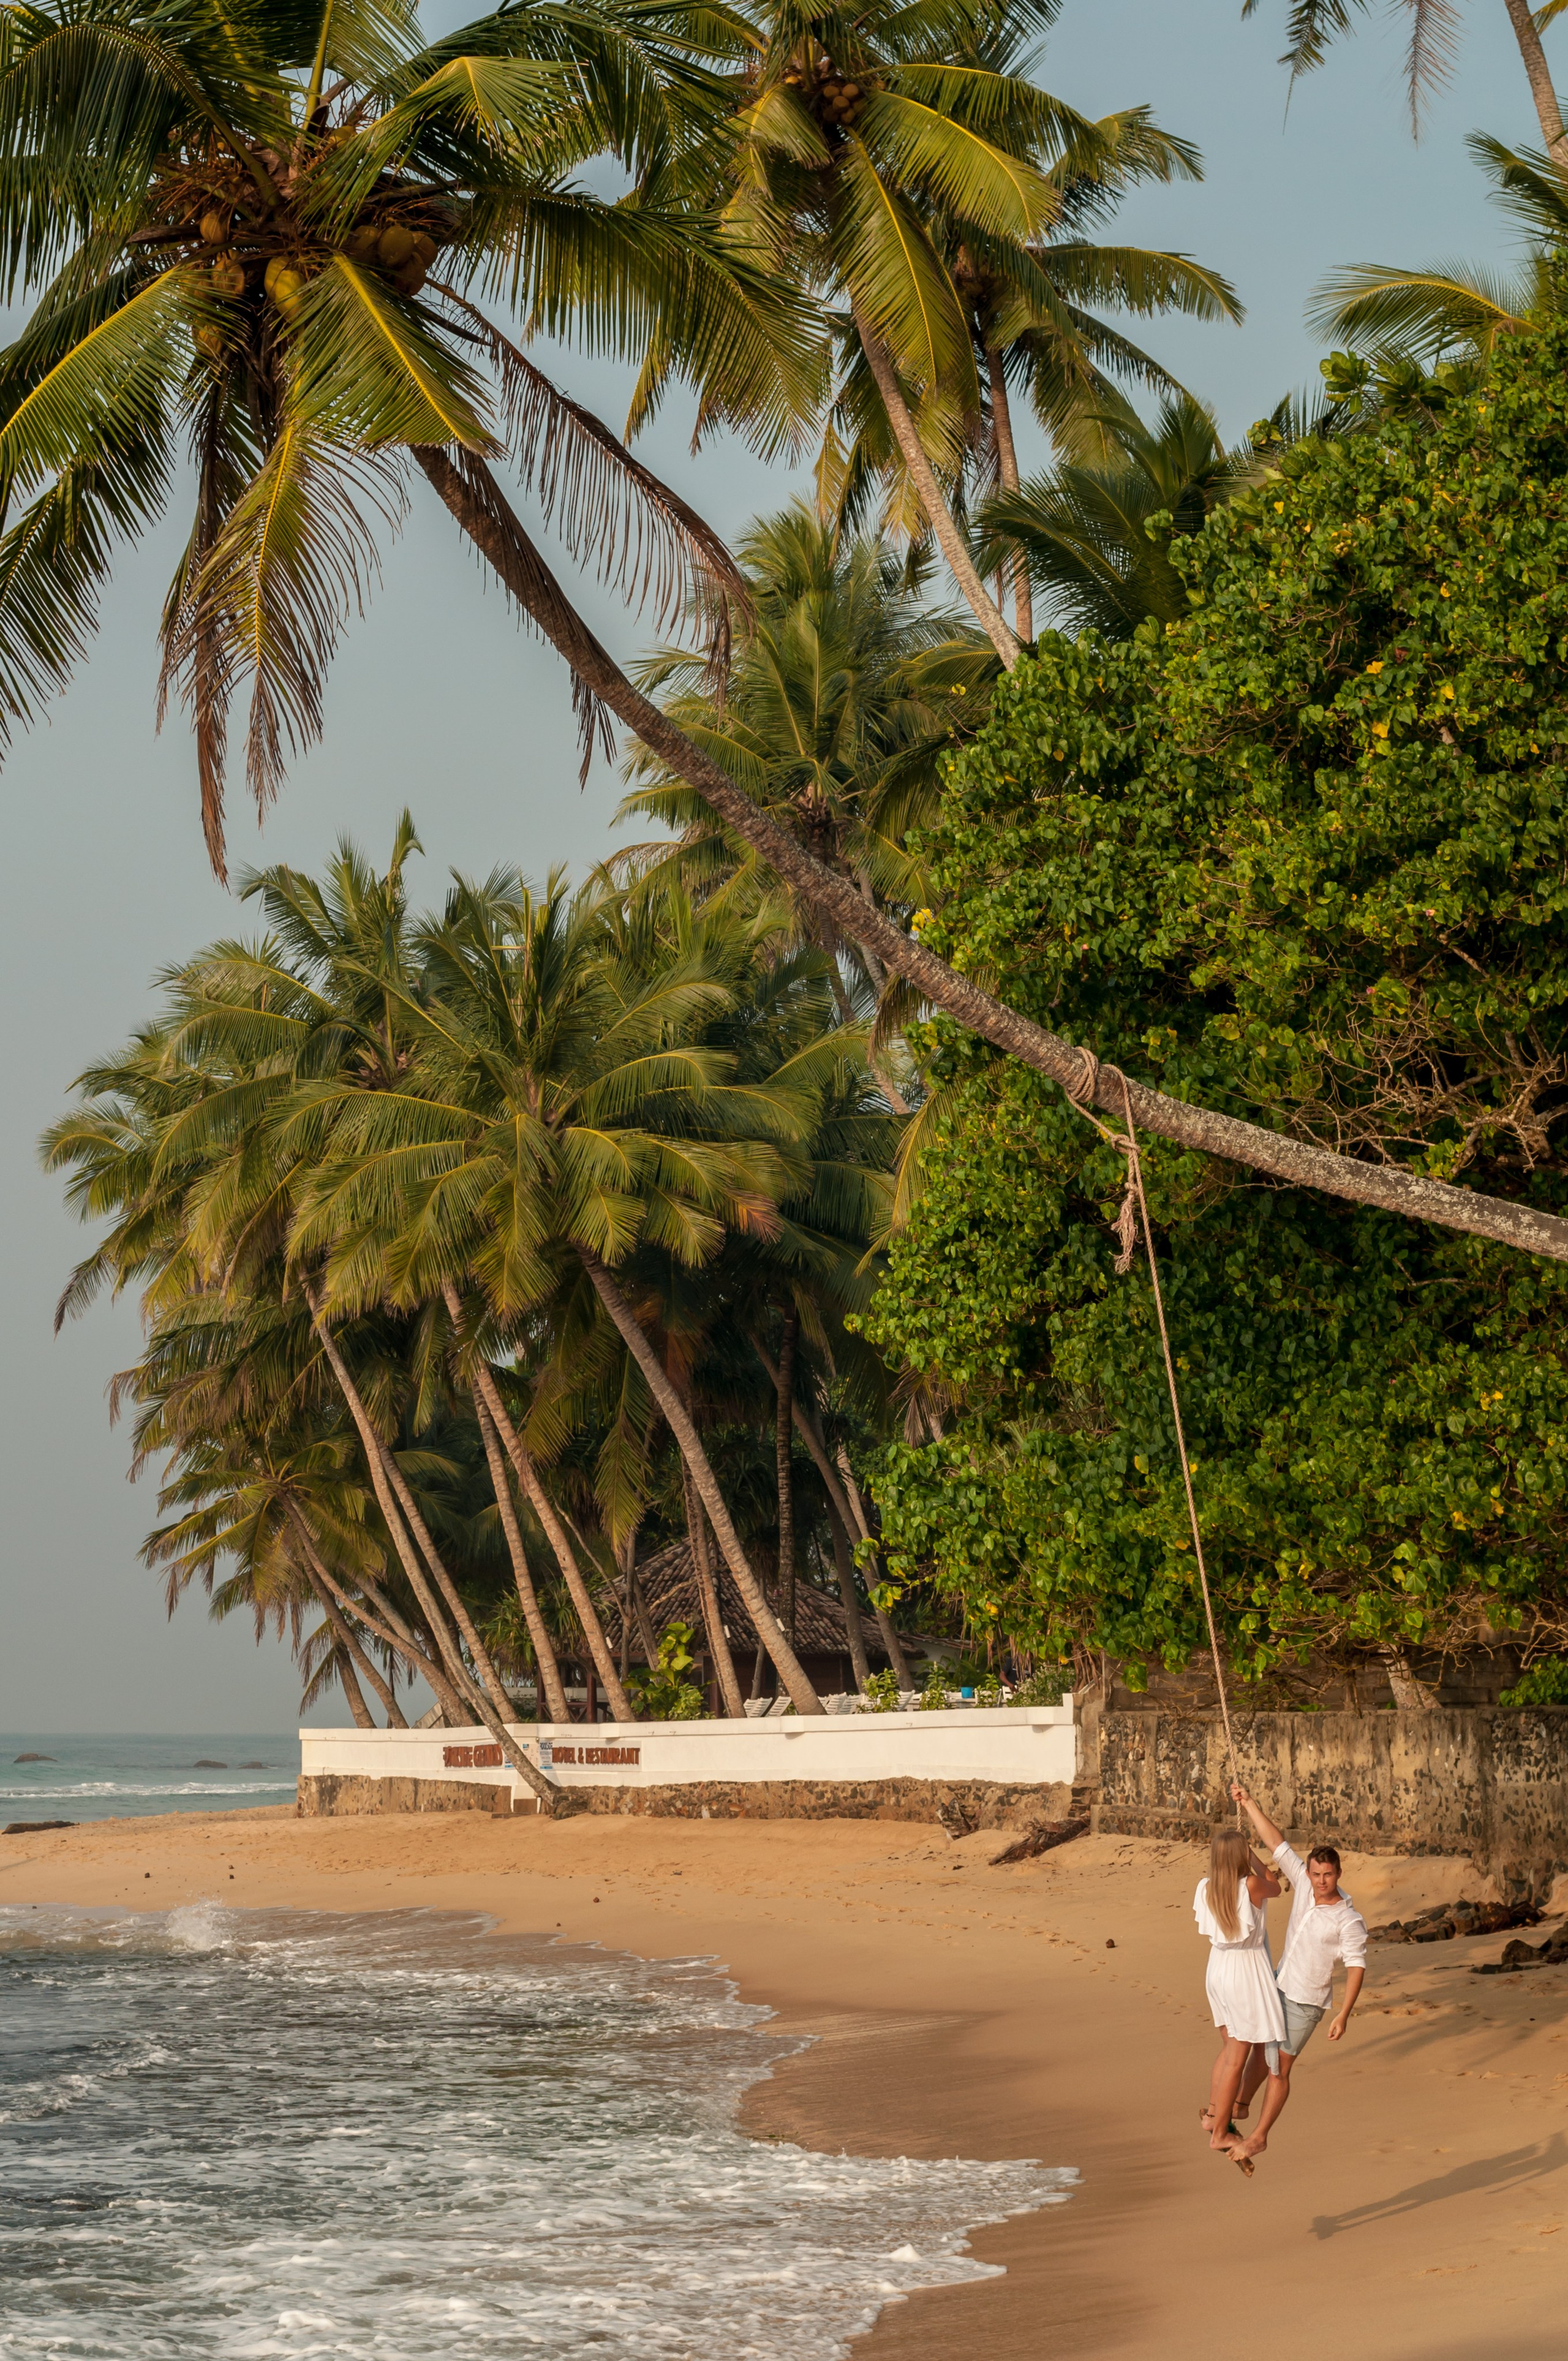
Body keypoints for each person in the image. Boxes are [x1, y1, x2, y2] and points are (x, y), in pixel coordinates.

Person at [1224, 1784, 1368, 2165]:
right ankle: (1239, 2106)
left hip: (1306, 2002)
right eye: (1317, 1873)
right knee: (1259, 2048)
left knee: (1279, 2070)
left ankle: (1259, 2138)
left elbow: (1356, 1967)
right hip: (1279, 1982)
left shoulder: (1349, 1920)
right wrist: (1249, 1803)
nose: (1322, 1881)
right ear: (1309, 1872)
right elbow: (1277, 1843)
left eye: (1329, 1875)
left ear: (1339, 1874)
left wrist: (1344, 2013)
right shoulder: (1303, 1883)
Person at [1193, 1824, 1285, 2177]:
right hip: (1245, 1970)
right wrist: (1253, 1857)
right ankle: (1219, 2133)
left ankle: (1219, 2114)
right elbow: (1276, 1883)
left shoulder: (1206, 1888)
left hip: (1217, 1968)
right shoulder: (1250, 1886)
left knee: (1231, 2046)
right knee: (1238, 2054)